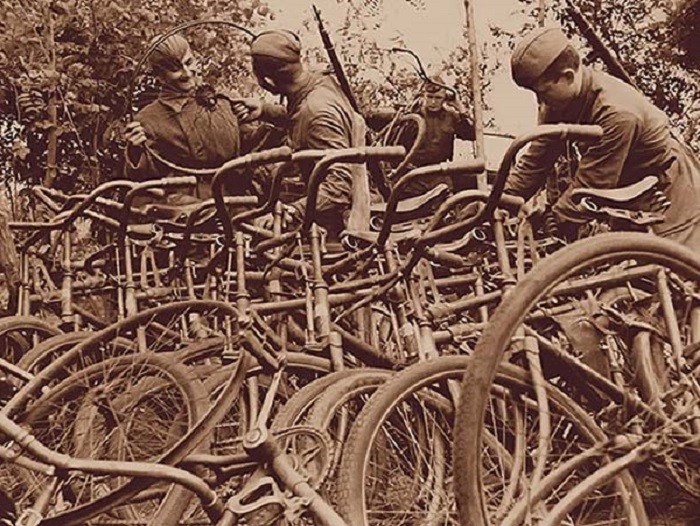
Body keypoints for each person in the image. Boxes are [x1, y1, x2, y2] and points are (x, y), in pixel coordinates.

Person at [506, 27, 700, 249]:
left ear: (568, 76)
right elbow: (536, 161)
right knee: (627, 263)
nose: (540, 102)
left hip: (669, 191)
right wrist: (500, 200)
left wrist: (552, 220)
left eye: (542, 92)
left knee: (677, 262)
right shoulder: (558, 103)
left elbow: (594, 181)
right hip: (627, 192)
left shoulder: (616, 112)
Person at [233, 29, 369, 238]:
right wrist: (265, 110)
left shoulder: (316, 113)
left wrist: (294, 211)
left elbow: (340, 186)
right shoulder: (318, 80)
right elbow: (299, 114)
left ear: (268, 80)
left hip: (337, 219)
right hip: (326, 191)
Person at [124, 34, 242, 203]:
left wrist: (263, 114)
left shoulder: (223, 100)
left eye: (189, 62)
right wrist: (135, 151)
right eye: (175, 69)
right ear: (159, 76)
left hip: (235, 194)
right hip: (186, 203)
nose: (187, 73)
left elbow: (251, 144)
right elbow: (144, 181)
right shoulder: (149, 118)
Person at [366, 79, 476, 196]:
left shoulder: (451, 116)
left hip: (439, 173)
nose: (433, 102)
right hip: (412, 175)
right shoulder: (411, 115)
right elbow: (372, 118)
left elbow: (472, 134)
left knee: (476, 180)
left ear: (445, 98)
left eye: (438, 98)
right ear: (423, 95)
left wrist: (459, 106)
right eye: (429, 97)